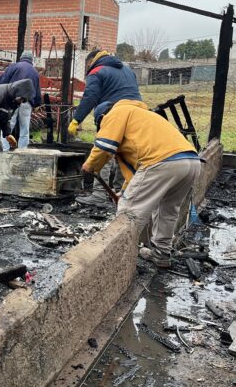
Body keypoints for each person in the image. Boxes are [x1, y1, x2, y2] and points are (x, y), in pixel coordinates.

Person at [81, 99, 202, 268]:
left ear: (102, 118)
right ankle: (161, 254)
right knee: (167, 210)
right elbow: (137, 175)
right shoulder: (141, 117)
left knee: (128, 211)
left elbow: (104, 145)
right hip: (191, 161)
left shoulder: (117, 112)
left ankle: (118, 261)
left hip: (161, 162)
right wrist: (124, 192)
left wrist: (90, 165)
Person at [69, 49, 142, 207]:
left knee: (105, 149)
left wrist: (76, 119)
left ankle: (99, 194)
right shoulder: (127, 69)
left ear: (91, 62)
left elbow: (90, 96)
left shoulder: (97, 71)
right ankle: (121, 192)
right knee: (125, 151)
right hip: (137, 114)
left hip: (113, 114)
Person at [0, 51, 41, 150]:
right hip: (27, 102)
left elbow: (3, 80)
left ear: (21, 58)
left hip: (13, 100)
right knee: (24, 128)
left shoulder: (14, 67)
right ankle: (23, 151)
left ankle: (5, 150)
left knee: (8, 125)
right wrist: (37, 104)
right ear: (31, 60)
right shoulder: (35, 72)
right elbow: (37, 89)